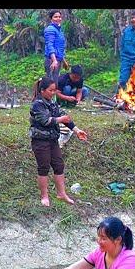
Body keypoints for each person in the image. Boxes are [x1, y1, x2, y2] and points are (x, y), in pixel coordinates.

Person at [30, 76, 87, 206]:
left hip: (52, 139)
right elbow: (46, 121)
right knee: (43, 167)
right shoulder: (37, 104)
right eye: (50, 90)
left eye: (54, 90)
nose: (53, 93)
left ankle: (61, 193)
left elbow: (64, 116)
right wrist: (61, 119)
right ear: (42, 90)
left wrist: (77, 130)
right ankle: (44, 196)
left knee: (59, 165)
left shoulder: (52, 102)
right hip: (40, 140)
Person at [44, 9, 68, 80]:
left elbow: (59, 48)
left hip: (58, 59)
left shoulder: (59, 31)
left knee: (55, 82)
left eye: (59, 17)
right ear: (51, 19)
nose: (58, 19)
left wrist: (63, 61)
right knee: (52, 84)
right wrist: (54, 60)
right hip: (52, 60)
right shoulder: (50, 29)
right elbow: (50, 45)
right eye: (55, 17)